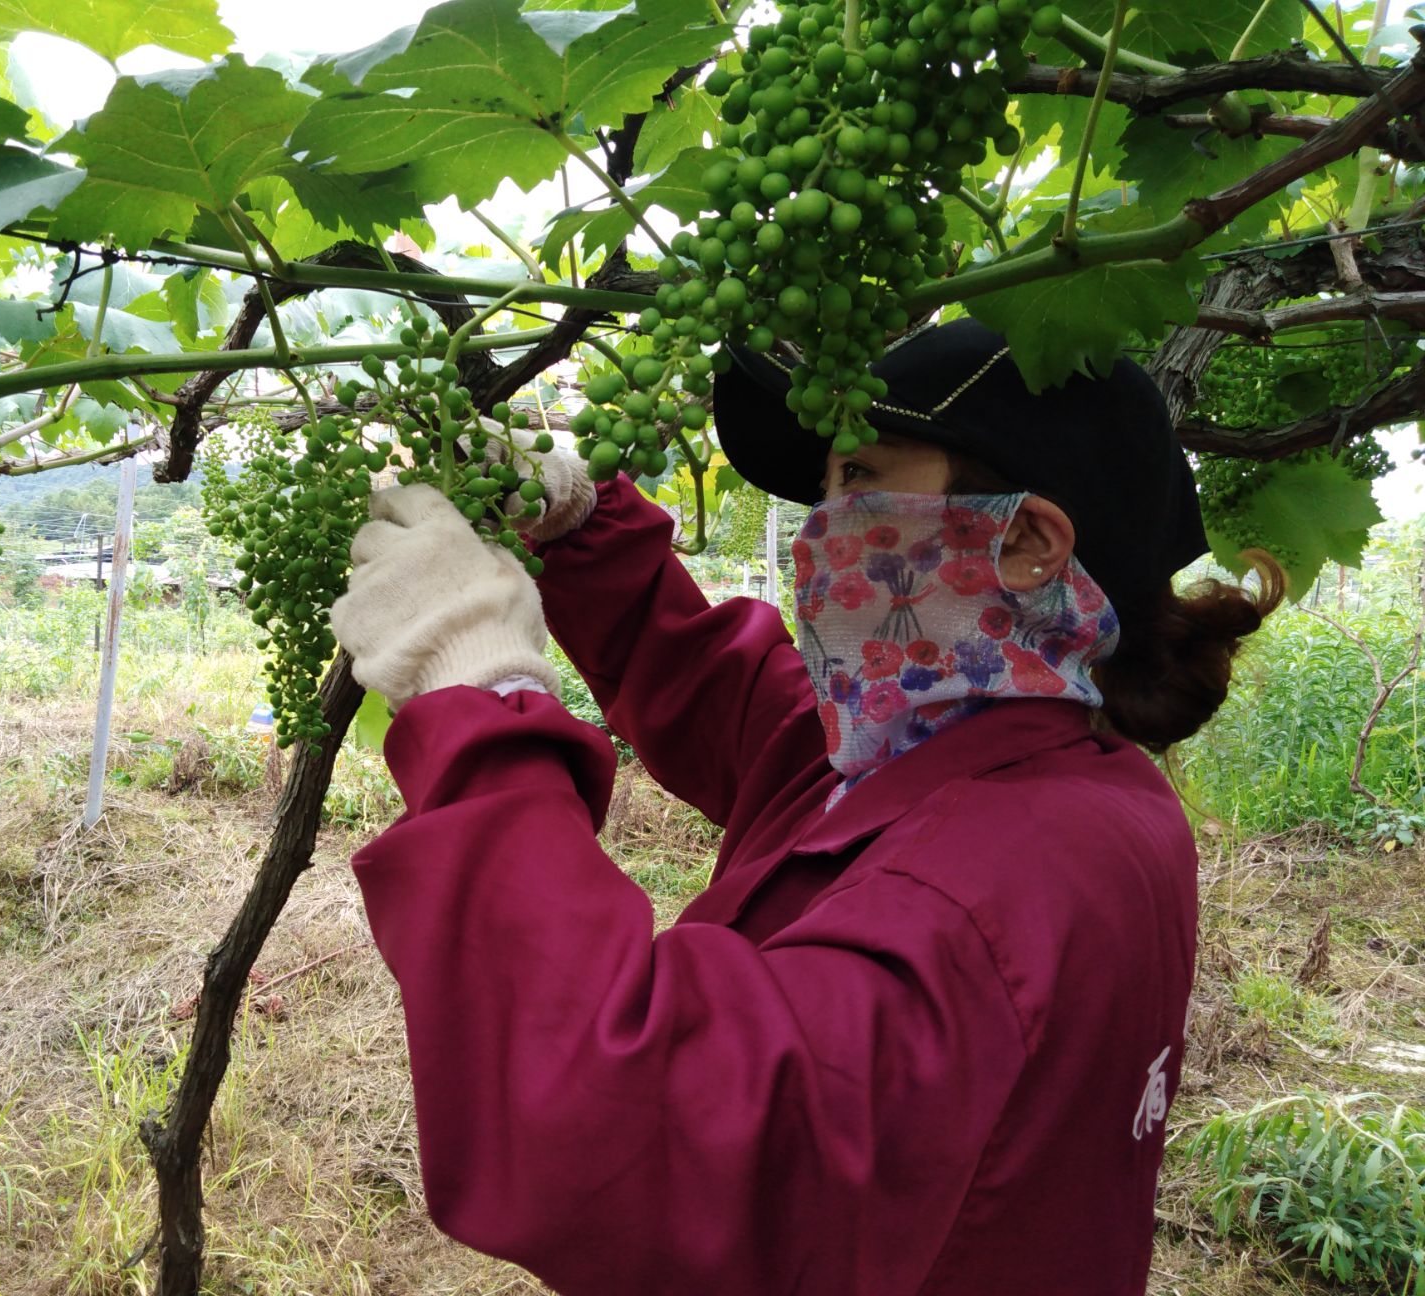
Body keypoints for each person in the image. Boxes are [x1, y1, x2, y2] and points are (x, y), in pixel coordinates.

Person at [327, 318, 1283, 1295]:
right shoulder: (979, 759)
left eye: (861, 482)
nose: (823, 530)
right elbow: (728, 696)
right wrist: (582, 527)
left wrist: (474, 697)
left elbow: (621, 1125)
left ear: (1029, 540)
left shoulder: (1005, 878)